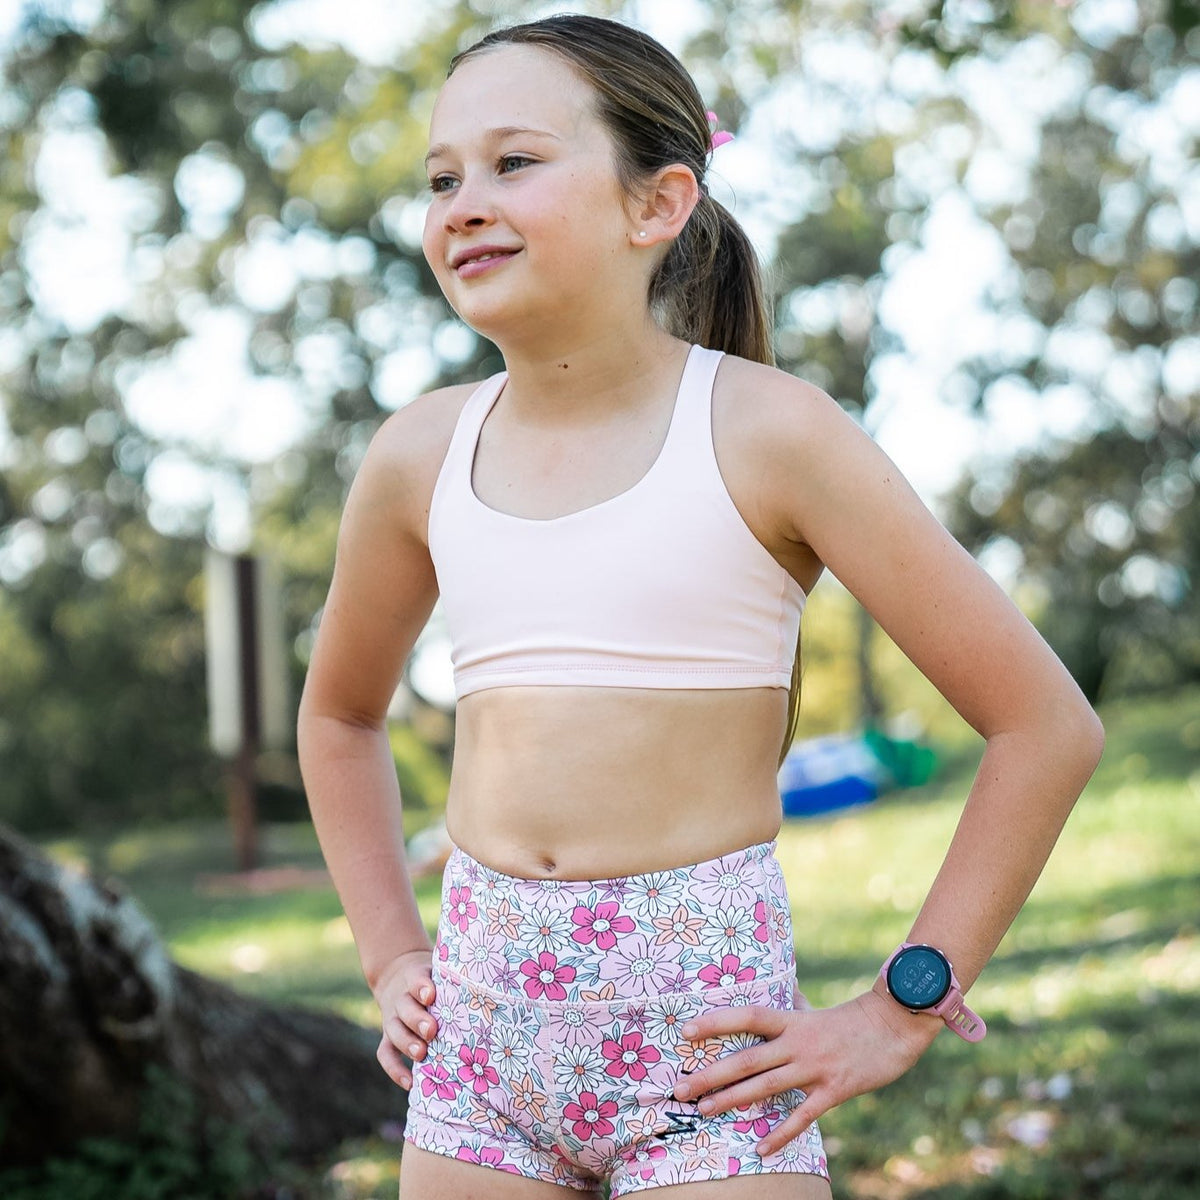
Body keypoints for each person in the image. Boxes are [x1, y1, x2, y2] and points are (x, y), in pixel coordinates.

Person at [296, 14, 1104, 1198]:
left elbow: (1047, 726)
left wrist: (899, 1007)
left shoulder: (772, 433)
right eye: (440, 177)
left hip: (707, 1062)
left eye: (514, 161)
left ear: (658, 202)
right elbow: (338, 717)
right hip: (477, 1056)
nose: (463, 201)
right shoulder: (418, 455)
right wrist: (388, 952)